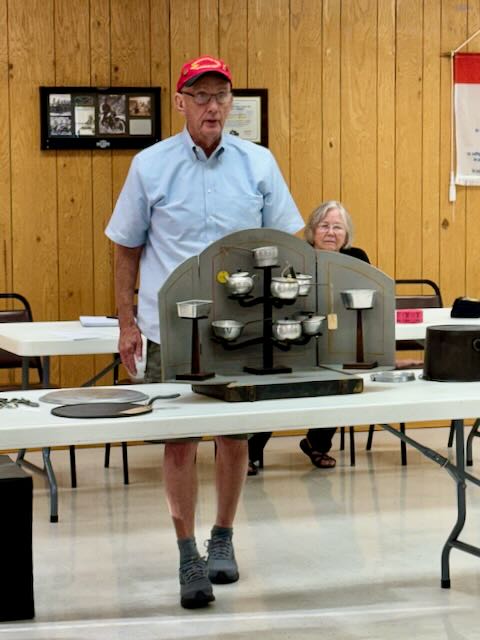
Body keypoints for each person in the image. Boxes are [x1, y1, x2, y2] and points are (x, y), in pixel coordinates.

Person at [105, 55, 304, 609]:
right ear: (180, 102)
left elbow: (292, 240)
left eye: (220, 95)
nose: (212, 105)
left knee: (234, 436)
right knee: (179, 441)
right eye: (200, 96)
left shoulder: (259, 164)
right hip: (168, 328)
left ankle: (224, 537)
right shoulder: (150, 165)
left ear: (230, 101)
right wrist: (126, 322)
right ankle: (186, 550)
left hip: (239, 328)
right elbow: (126, 248)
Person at [247, 200, 369, 475]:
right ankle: (250, 451)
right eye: (324, 226)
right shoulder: (295, 258)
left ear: (346, 235)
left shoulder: (357, 259)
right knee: (277, 388)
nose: (331, 232)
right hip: (293, 335)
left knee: (339, 383)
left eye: (338, 227)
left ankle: (317, 443)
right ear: (312, 231)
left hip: (339, 337)